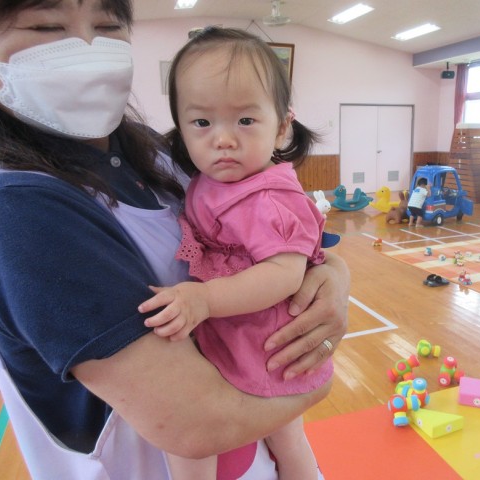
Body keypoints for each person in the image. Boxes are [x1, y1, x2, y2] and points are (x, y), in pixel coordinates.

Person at [0, 2, 349, 479]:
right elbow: (195, 427)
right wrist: (316, 384)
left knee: (293, 454)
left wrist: (332, 277)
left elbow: (290, 248)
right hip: (154, 457)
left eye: (107, 25)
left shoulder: (155, 152)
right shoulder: (22, 208)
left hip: (251, 434)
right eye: (46, 25)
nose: (85, 46)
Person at [135, 27, 333, 480]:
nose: (223, 139)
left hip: (262, 342)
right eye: (202, 123)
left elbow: (284, 273)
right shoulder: (208, 180)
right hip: (233, 332)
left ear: (281, 126)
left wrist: (205, 299)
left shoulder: (268, 199)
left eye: (245, 120)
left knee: (263, 439)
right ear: (181, 129)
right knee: (278, 438)